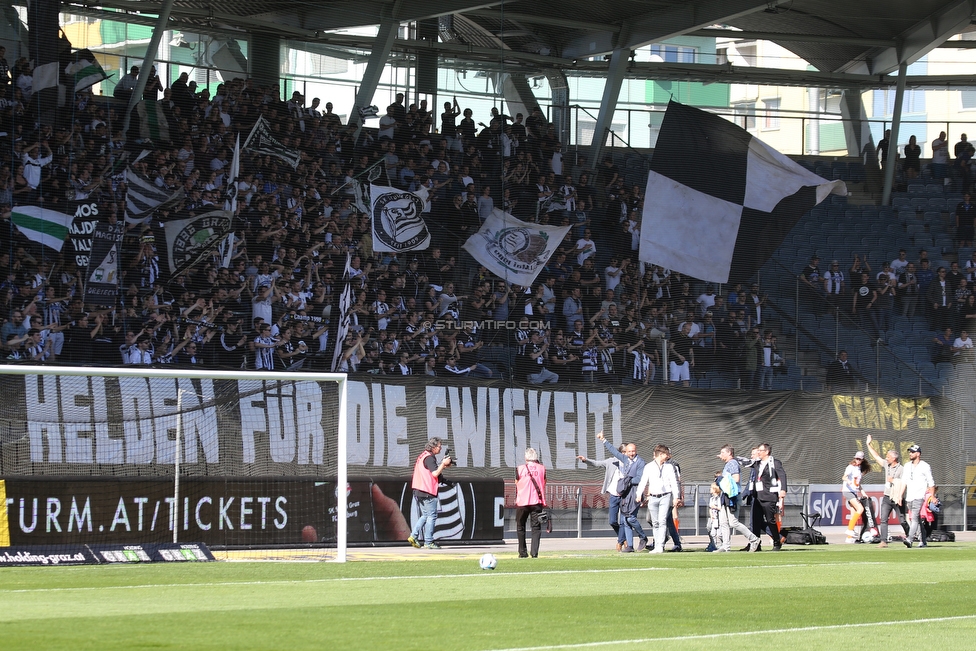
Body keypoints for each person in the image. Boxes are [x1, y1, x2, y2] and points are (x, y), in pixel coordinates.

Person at [597, 430, 647, 552]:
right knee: (624, 521)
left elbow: (640, 478)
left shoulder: (640, 462)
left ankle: (643, 536)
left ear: (636, 451)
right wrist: (603, 440)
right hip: (625, 493)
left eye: (633, 451)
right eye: (629, 451)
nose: (631, 453)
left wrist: (627, 481)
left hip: (635, 492)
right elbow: (614, 451)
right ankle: (629, 546)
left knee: (630, 519)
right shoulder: (625, 460)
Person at [406, 437, 453, 550]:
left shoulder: (424, 456)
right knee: (432, 516)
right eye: (439, 447)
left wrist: (444, 466)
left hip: (419, 490)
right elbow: (435, 473)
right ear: (433, 447)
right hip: (427, 490)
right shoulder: (429, 458)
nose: (440, 449)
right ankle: (428, 541)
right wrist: (443, 463)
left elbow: (431, 472)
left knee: (426, 515)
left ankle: (413, 536)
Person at [577, 447, 628, 551]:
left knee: (624, 521)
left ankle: (620, 542)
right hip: (614, 495)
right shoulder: (611, 461)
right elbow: (596, 463)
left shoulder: (630, 463)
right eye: (623, 452)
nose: (625, 454)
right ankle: (623, 537)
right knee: (612, 521)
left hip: (625, 496)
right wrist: (585, 460)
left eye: (626, 452)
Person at [864, 434, 910, 547]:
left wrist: (893, 481)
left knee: (902, 520)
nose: (886, 458)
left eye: (888, 457)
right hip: (886, 497)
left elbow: (904, 483)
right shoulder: (886, 465)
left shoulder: (902, 469)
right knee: (883, 519)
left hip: (897, 497)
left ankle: (910, 536)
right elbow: (876, 456)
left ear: (894, 458)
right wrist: (868, 444)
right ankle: (883, 541)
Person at [635, 444, 680, 554]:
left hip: (665, 495)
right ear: (660, 454)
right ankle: (657, 545)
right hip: (653, 497)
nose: (667, 457)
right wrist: (638, 494)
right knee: (655, 522)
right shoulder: (649, 467)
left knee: (662, 520)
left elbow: (674, 482)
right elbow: (643, 481)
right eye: (666, 454)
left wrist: (676, 496)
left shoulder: (669, 466)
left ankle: (660, 546)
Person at [717, 444, 761, 552]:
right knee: (723, 522)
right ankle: (726, 546)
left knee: (733, 522)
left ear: (729, 453)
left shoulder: (732, 463)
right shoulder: (728, 464)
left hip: (732, 496)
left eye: (723, 452)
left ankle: (754, 539)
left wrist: (722, 480)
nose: (720, 455)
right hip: (725, 495)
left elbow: (736, 478)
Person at [752, 442, 787, 551]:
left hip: (769, 496)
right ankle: (756, 544)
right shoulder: (757, 463)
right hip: (758, 495)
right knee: (756, 521)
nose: (758, 453)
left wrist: (783, 489)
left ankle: (777, 541)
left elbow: (782, 475)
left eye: (760, 451)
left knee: (770, 520)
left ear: (766, 452)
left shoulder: (774, 463)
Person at [515, 448, 548, 558]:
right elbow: (544, 482)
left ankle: (522, 552)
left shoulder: (520, 469)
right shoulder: (542, 468)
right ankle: (534, 553)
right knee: (536, 528)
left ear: (526, 458)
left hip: (522, 502)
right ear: (536, 457)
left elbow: (516, 482)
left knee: (520, 526)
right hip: (536, 501)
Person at [902, 444, 935, 548]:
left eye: (912, 452)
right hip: (910, 496)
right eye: (910, 452)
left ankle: (909, 539)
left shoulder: (925, 466)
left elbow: (931, 483)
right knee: (916, 519)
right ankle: (923, 541)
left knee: (915, 518)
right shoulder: (907, 465)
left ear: (918, 454)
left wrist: (932, 496)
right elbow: (904, 481)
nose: (910, 454)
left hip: (920, 496)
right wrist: (900, 495)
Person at [842, 450, 872, 543]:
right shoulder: (850, 467)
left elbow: (858, 485)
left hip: (854, 492)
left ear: (862, 460)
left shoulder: (858, 469)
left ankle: (849, 538)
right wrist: (848, 481)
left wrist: (863, 493)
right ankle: (850, 530)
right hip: (847, 491)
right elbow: (844, 477)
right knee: (860, 509)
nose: (858, 460)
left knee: (853, 514)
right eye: (856, 458)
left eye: (860, 459)